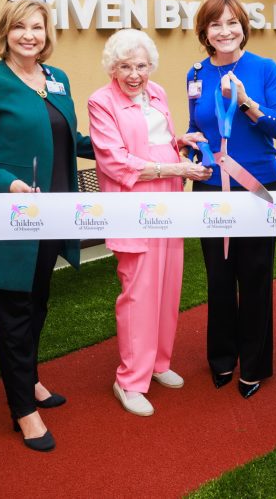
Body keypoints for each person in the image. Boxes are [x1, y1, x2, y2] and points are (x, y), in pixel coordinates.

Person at [0, 0, 94, 452]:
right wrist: (10, 183)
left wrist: (129, 145)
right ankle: (23, 411)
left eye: (36, 27)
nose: (29, 36)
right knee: (14, 314)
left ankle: (29, 379)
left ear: (47, 33)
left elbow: (69, 138)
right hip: (12, 220)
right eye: (20, 28)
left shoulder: (56, 79)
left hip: (52, 216)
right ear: (5, 33)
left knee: (37, 305)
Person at [87, 29, 212, 417]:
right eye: (125, 66)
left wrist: (181, 141)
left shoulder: (156, 92)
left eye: (141, 65)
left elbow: (158, 140)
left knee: (167, 286)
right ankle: (130, 379)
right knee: (138, 295)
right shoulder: (101, 101)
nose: (134, 74)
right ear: (112, 67)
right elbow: (115, 160)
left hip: (169, 200)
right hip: (133, 207)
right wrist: (174, 166)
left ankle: (158, 363)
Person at [186, 0, 276, 398]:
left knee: (257, 275)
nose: (224, 31)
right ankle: (222, 357)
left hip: (256, 185)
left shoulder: (264, 68)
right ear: (204, 32)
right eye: (215, 25)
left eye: (232, 23)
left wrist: (245, 102)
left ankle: (255, 362)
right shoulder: (195, 73)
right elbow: (197, 124)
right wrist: (190, 144)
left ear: (244, 26)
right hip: (210, 186)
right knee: (219, 276)